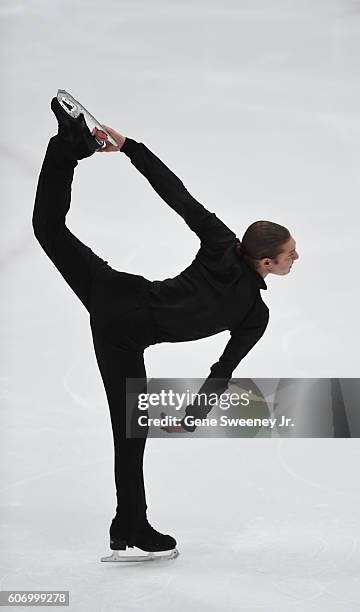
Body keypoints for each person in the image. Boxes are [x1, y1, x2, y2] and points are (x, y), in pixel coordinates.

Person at [32, 97, 299, 558]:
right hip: (122, 332)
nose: (296, 258)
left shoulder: (222, 244)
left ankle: (67, 145)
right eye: (291, 254)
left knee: (49, 229)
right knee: (128, 436)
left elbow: (176, 193)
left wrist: (132, 147)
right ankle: (131, 525)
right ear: (266, 261)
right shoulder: (253, 314)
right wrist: (193, 417)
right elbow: (223, 370)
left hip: (115, 292)